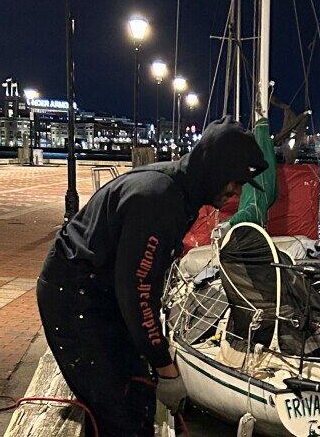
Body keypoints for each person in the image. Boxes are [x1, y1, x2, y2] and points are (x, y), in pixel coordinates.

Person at [36, 116, 268, 436]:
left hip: (100, 293)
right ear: (218, 170)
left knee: (139, 395)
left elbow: (140, 285)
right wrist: (167, 369)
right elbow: (137, 292)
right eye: (237, 181)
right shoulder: (158, 200)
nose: (237, 193)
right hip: (74, 297)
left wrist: (156, 361)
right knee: (120, 414)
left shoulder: (178, 191)